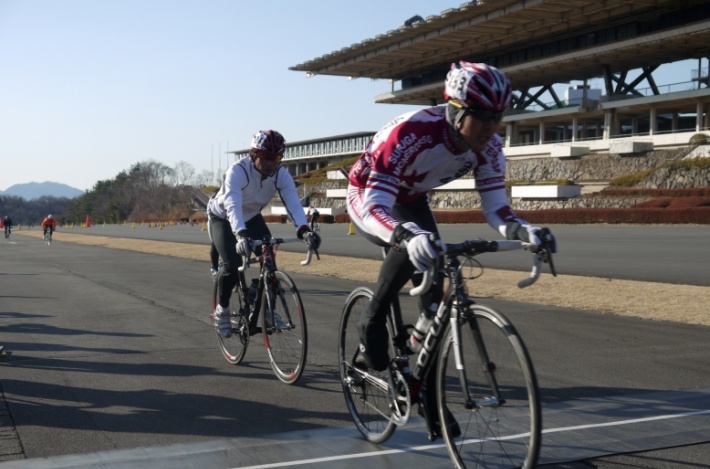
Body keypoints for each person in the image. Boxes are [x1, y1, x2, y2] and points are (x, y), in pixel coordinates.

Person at [346, 61, 556, 438]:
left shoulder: (489, 146)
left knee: (439, 296)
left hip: (410, 199)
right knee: (411, 247)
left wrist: (526, 230)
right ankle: (373, 316)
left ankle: (418, 367)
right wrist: (406, 236)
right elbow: (376, 203)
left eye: (499, 116)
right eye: (484, 116)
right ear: (458, 110)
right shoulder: (412, 132)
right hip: (369, 196)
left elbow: (497, 208)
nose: (493, 126)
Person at [207, 129, 321, 338]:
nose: (272, 163)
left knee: (269, 259)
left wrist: (304, 230)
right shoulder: (238, 171)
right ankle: (221, 310)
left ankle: (267, 309)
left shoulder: (280, 173)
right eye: (266, 157)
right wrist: (241, 234)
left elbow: (293, 203)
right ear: (253, 155)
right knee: (232, 265)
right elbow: (232, 204)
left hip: (251, 216)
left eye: (277, 157)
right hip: (223, 216)